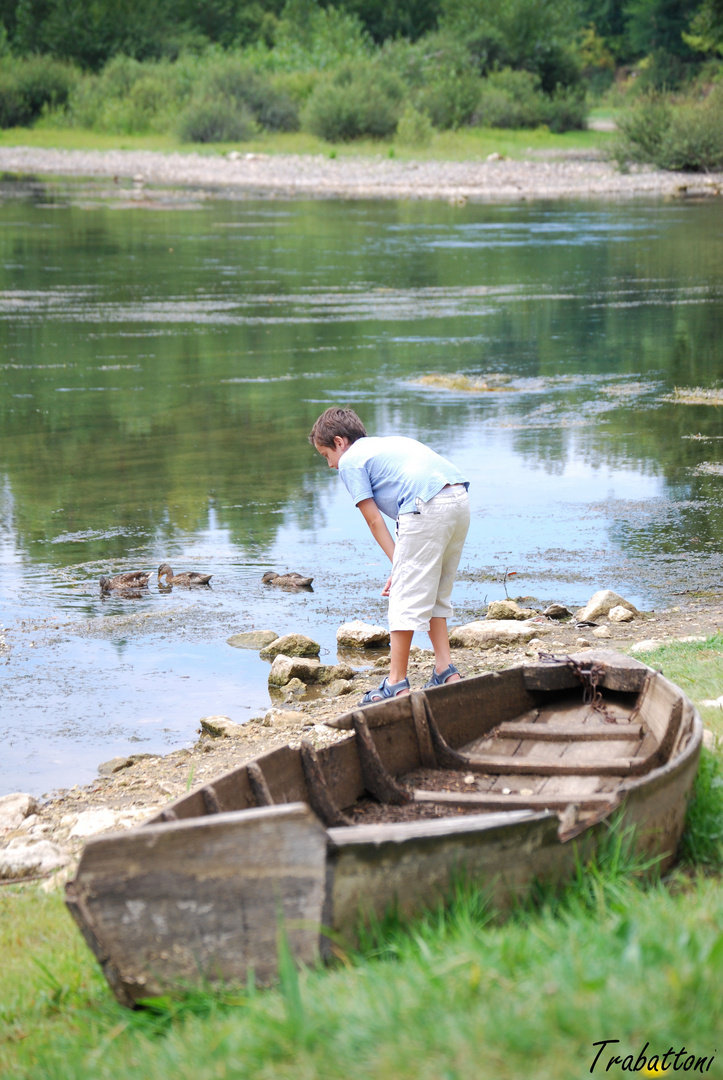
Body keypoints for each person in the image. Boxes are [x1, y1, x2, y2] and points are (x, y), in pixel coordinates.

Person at [309, 407, 470, 704]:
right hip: (458, 498)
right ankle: (446, 670)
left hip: (425, 504)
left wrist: (400, 566)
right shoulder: (384, 445)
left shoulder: (351, 463)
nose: (330, 465)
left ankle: (395, 683)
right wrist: (403, 564)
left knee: (403, 596)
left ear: (340, 442)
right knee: (435, 590)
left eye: (326, 455)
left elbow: (373, 520)